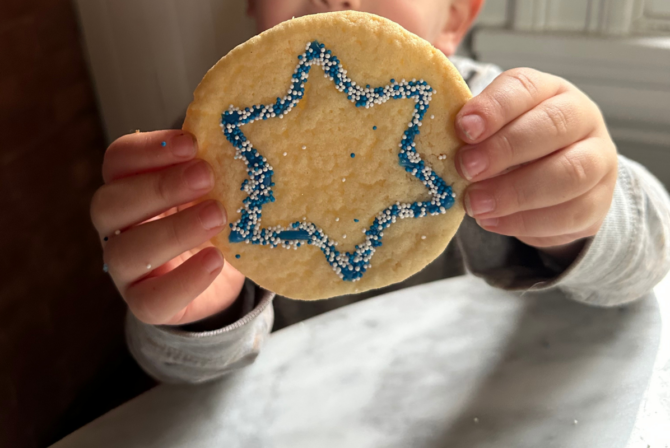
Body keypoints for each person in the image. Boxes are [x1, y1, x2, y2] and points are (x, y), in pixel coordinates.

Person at [90, 0, 670, 383]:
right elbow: (188, 375)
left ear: (456, 16)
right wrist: (199, 320)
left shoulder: (504, 127)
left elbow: (650, 253)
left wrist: (586, 212)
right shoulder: (213, 162)